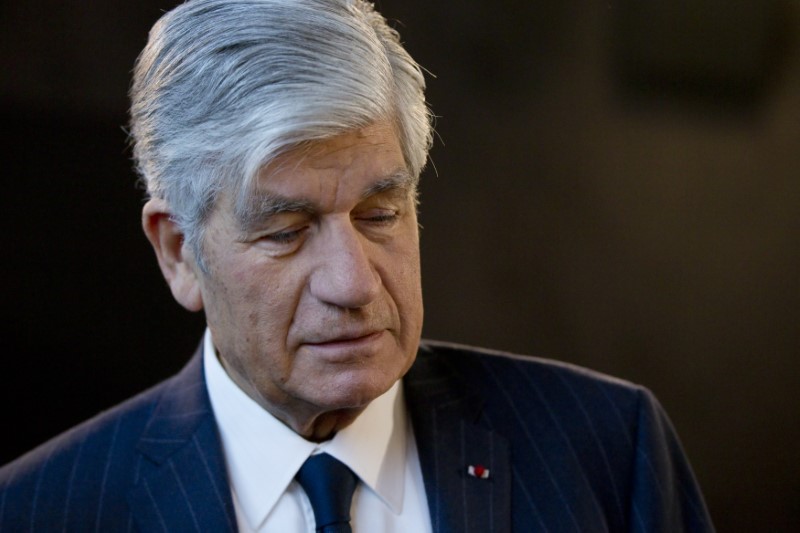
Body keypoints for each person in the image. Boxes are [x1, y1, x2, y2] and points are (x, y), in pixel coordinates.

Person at [0, 1, 714, 531]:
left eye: (379, 214)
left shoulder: (610, 451)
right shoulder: (43, 509)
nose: (354, 283)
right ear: (179, 252)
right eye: (285, 230)